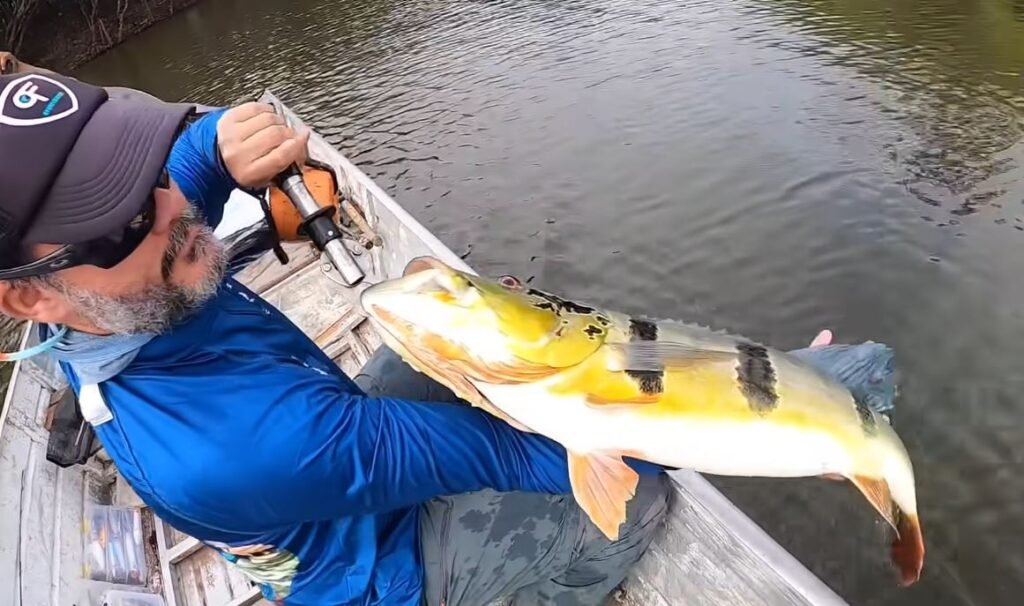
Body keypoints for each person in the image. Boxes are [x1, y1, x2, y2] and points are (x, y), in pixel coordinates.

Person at [0, 67, 873, 606]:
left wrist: (212, 145)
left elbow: (193, 160)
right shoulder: (246, 446)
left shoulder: (143, 262)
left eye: (137, 174)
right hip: (372, 565)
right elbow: (522, 457)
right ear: (32, 300)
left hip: (327, 439)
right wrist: (772, 411)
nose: (175, 215)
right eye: (115, 227)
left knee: (464, 314)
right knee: (636, 499)